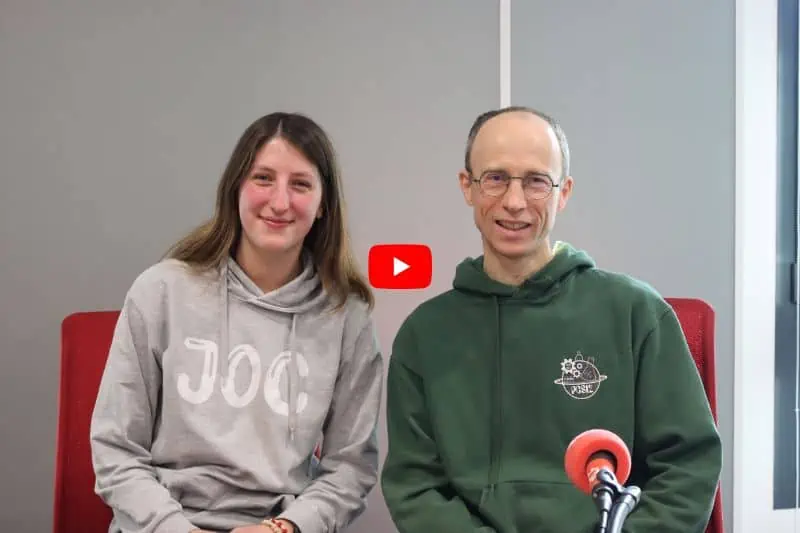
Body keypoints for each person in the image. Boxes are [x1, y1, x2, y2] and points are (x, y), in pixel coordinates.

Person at [380, 106, 722, 533]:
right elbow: (414, 486)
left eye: (537, 181)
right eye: (496, 178)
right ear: (467, 186)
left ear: (564, 192)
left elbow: (688, 466)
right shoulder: (424, 334)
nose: (515, 202)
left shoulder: (636, 312)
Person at [90, 112, 384, 533]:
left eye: (300, 184)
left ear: (323, 206)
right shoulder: (161, 291)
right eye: (263, 178)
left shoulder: (347, 316)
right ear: (235, 190)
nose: (280, 202)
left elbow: (349, 470)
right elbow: (116, 449)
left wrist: (282, 529)